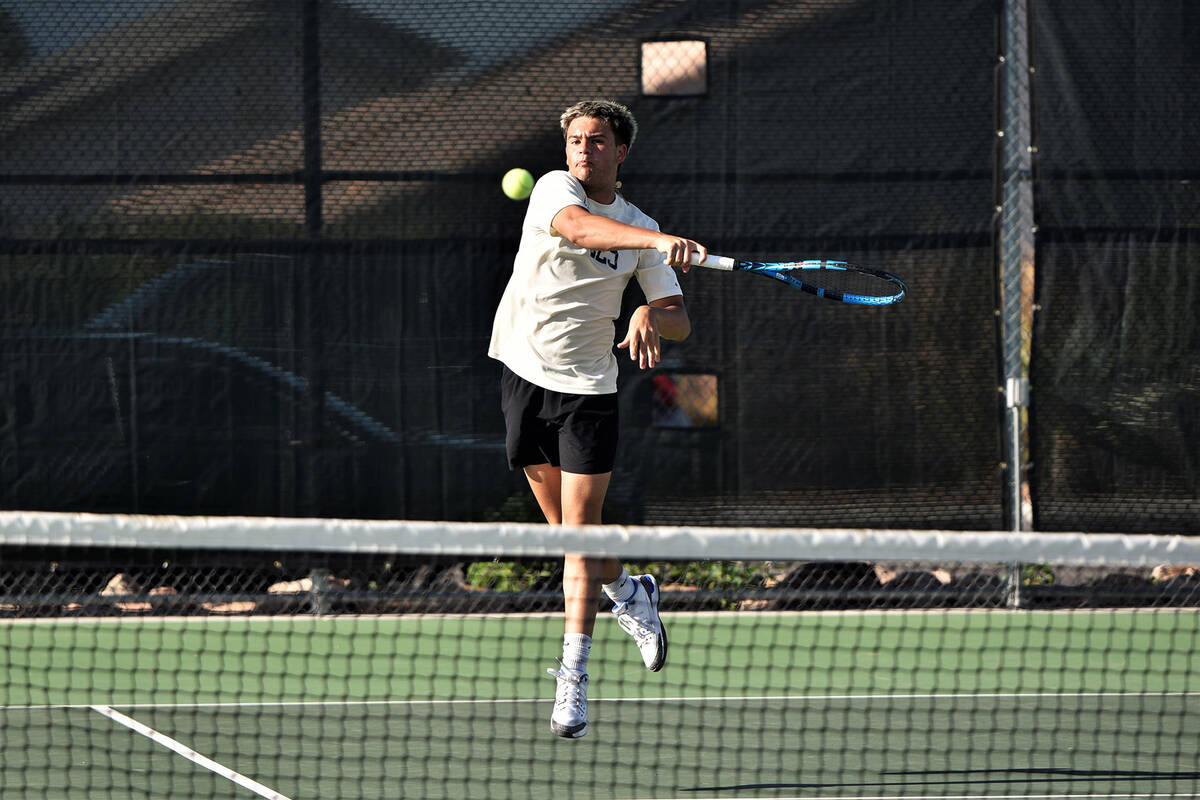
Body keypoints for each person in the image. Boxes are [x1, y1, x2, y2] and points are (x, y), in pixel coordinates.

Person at [488, 99, 707, 738]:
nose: (584, 150)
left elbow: (679, 318)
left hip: (587, 392)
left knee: (580, 537)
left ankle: (573, 678)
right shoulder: (555, 191)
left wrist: (646, 314)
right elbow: (581, 231)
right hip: (522, 372)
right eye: (576, 140)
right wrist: (657, 242)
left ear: (621, 151)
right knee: (569, 539)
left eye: (597, 141)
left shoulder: (641, 226)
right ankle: (632, 592)